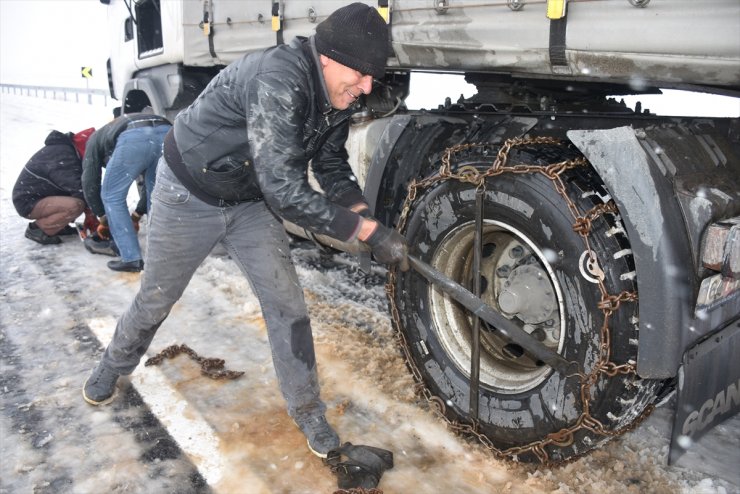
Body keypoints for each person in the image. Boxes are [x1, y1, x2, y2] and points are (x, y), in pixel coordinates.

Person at [81, 3, 409, 458]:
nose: (368, 86)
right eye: (361, 73)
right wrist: (366, 233)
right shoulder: (279, 78)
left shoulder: (337, 93)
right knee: (157, 296)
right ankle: (112, 366)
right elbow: (284, 192)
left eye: (374, 76)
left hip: (249, 199)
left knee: (286, 305)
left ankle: (309, 411)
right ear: (329, 57)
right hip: (189, 193)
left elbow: (330, 162)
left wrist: (360, 212)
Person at [82, 111, 172, 272]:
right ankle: (161, 254)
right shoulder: (114, 129)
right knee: (157, 193)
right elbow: (148, 190)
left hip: (135, 137)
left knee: (112, 196)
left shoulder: (93, 140)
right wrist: (137, 214)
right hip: (168, 132)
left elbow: (89, 182)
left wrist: (103, 217)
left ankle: (131, 258)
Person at [13, 128, 95, 245]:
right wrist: (91, 213)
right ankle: (38, 229)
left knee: (78, 200)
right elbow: (77, 187)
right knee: (76, 205)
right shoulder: (63, 153)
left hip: (37, 197)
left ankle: (58, 225)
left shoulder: (67, 150)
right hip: (28, 202)